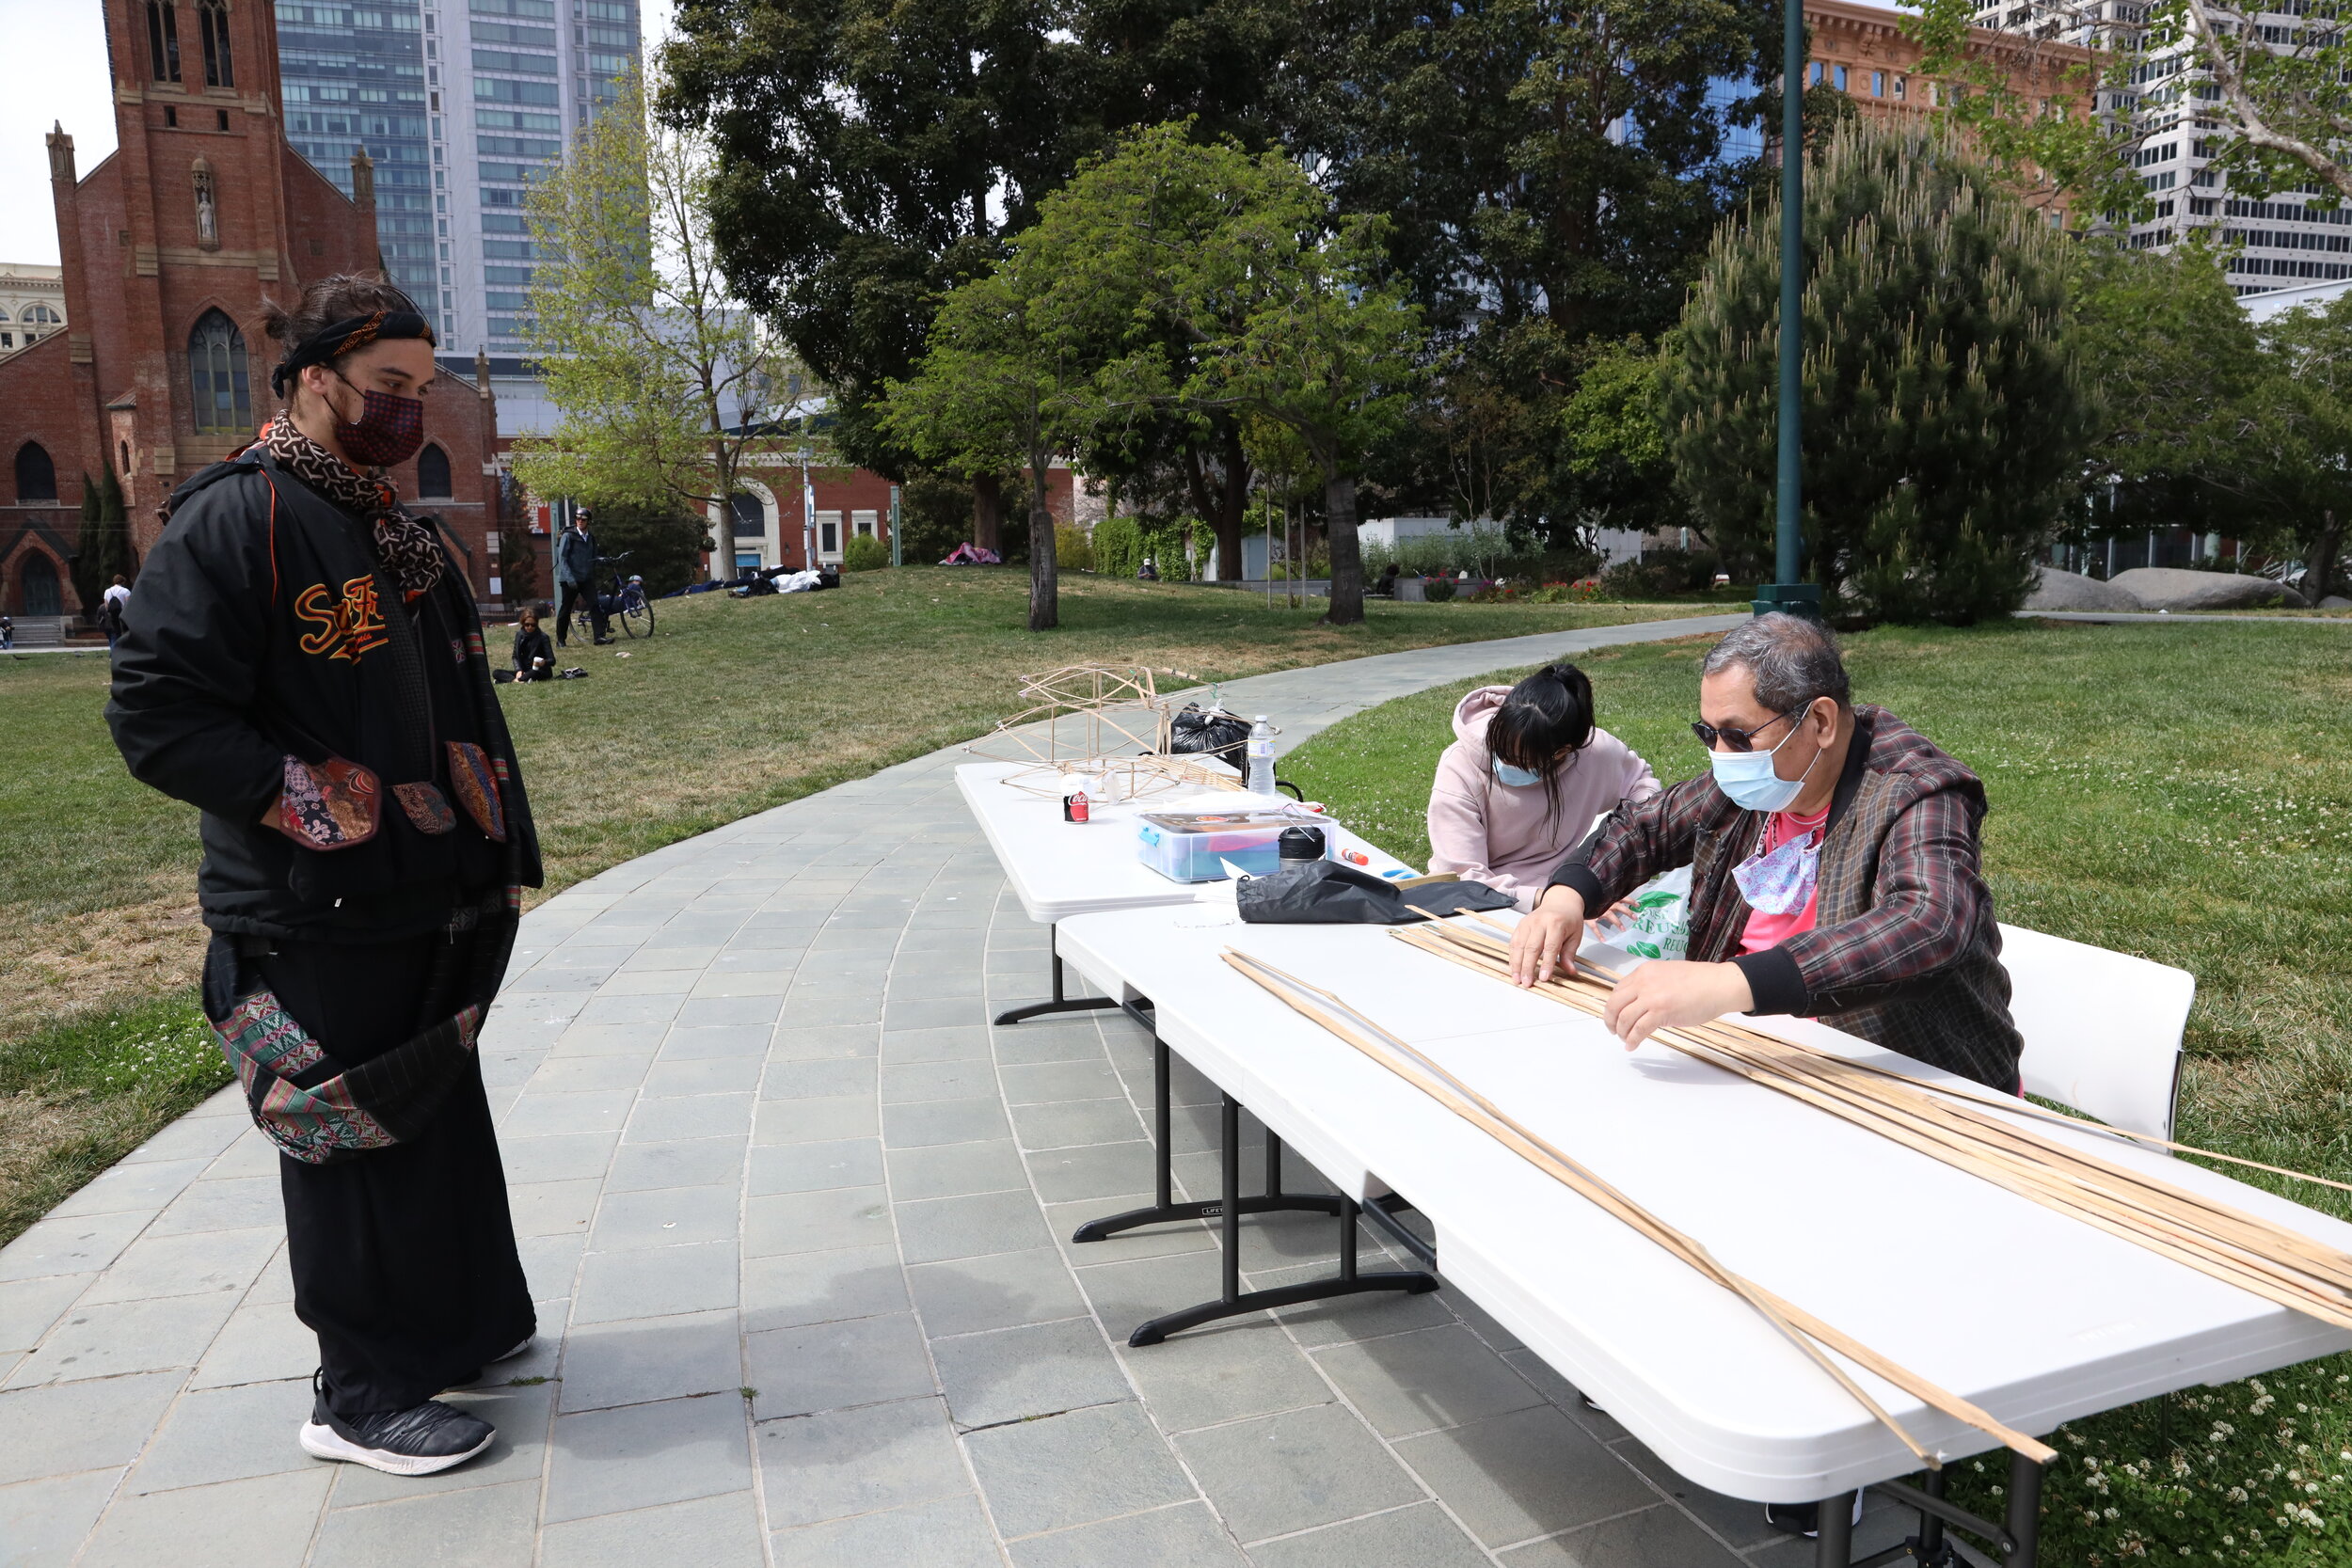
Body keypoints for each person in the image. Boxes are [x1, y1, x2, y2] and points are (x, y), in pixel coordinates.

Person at [106, 271, 542, 1480]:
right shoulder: (231, 518)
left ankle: (455, 1328)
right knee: (344, 1133)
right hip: (311, 903)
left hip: (416, 886)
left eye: (422, 386)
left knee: (436, 1111)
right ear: (310, 380)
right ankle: (357, 1392)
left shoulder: (379, 516)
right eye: (387, 386)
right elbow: (154, 713)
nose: (410, 410)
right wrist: (310, 801)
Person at [1509, 613, 2021, 1091]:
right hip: (1758, 1060)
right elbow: (1644, 827)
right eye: (1708, 734)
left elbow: (1926, 924)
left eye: (1736, 736)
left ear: (1820, 722)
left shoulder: (1915, 791)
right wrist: (1565, 898)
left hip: (1908, 1083)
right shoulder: (1760, 783)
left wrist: (1732, 983)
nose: (1719, 756)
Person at [1426, 663, 1659, 911]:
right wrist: (1560, 901)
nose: (1504, 763)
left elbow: (1641, 783)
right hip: (1487, 901)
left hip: (1568, 885)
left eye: (1520, 761)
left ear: (1562, 753)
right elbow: (1464, 879)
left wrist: (1619, 858)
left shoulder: (1595, 752)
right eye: (1500, 750)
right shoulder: (1460, 767)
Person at [554, 509, 610, 646]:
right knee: (566, 609)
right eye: (577, 518)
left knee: (595, 605)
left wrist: (603, 560)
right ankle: (561, 639)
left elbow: (594, 557)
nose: (579, 521)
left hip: (586, 578)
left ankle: (599, 637)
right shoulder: (569, 536)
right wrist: (570, 578)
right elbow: (563, 559)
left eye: (583, 519)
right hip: (569, 579)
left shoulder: (590, 538)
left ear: (588, 522)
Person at [511, 603, 553, 682]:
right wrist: (519, 670)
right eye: (527, 625)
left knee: (533, 673)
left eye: (533, 625)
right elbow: (515, 656)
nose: (530, 627)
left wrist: (543, 662)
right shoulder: (519, 635)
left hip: (538, 670)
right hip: (524, 670)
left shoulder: (543, 637)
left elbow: (552, 660)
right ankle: (519, 680)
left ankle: (517, 680)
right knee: (496, 673)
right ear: (523, 624)